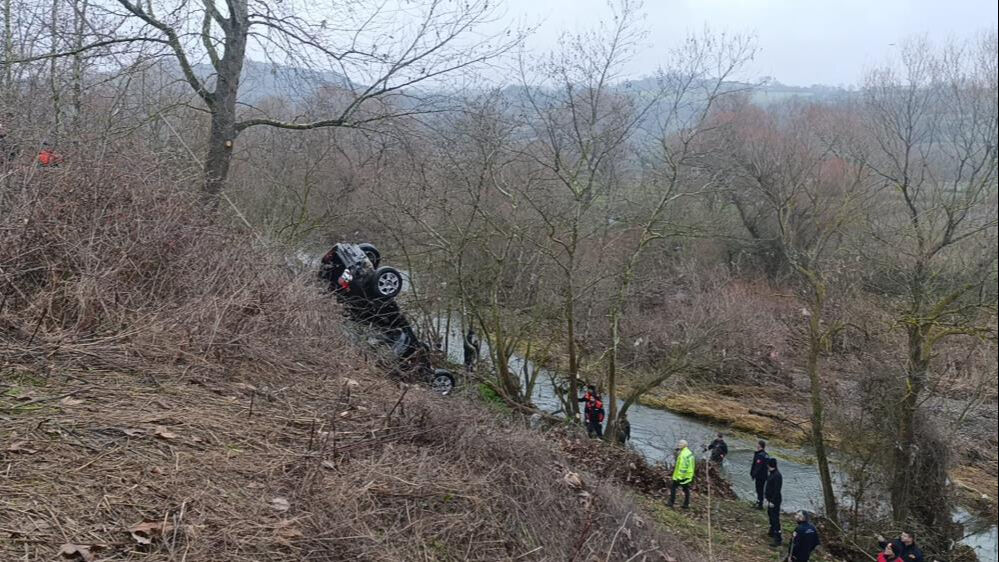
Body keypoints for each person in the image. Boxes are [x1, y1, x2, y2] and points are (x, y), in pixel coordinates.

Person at [668, 439, 695, 509]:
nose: (678, 445)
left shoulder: (683, 455)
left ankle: (671, 503)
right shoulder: (689, 452)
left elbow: (682, 467)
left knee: (673, 488)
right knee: (686, 489)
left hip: (681, 476)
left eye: (680, 444)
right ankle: (686, 504)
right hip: (688, 475)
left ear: (684, 445)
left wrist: (678, 477)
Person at [765, 457, 783, 546]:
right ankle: (772, 531)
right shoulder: (771, 474)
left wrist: (772, 501)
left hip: (774, 501)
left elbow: (777, 490)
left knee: (775, 519)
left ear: (769, 465)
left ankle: (778, 539)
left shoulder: (777, 476)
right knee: (770, 514)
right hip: (770, 499)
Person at [750, 440, 770, 509]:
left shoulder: (760, 455)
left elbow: (758, 467)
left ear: (760, 446)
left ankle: (760, 504)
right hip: (764, 476)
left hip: (760, 476)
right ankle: (759, 502)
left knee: (759, 490)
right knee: (760, 490)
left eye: (757, 444)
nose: (756, 445)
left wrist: (753, 474)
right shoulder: (766, 455)